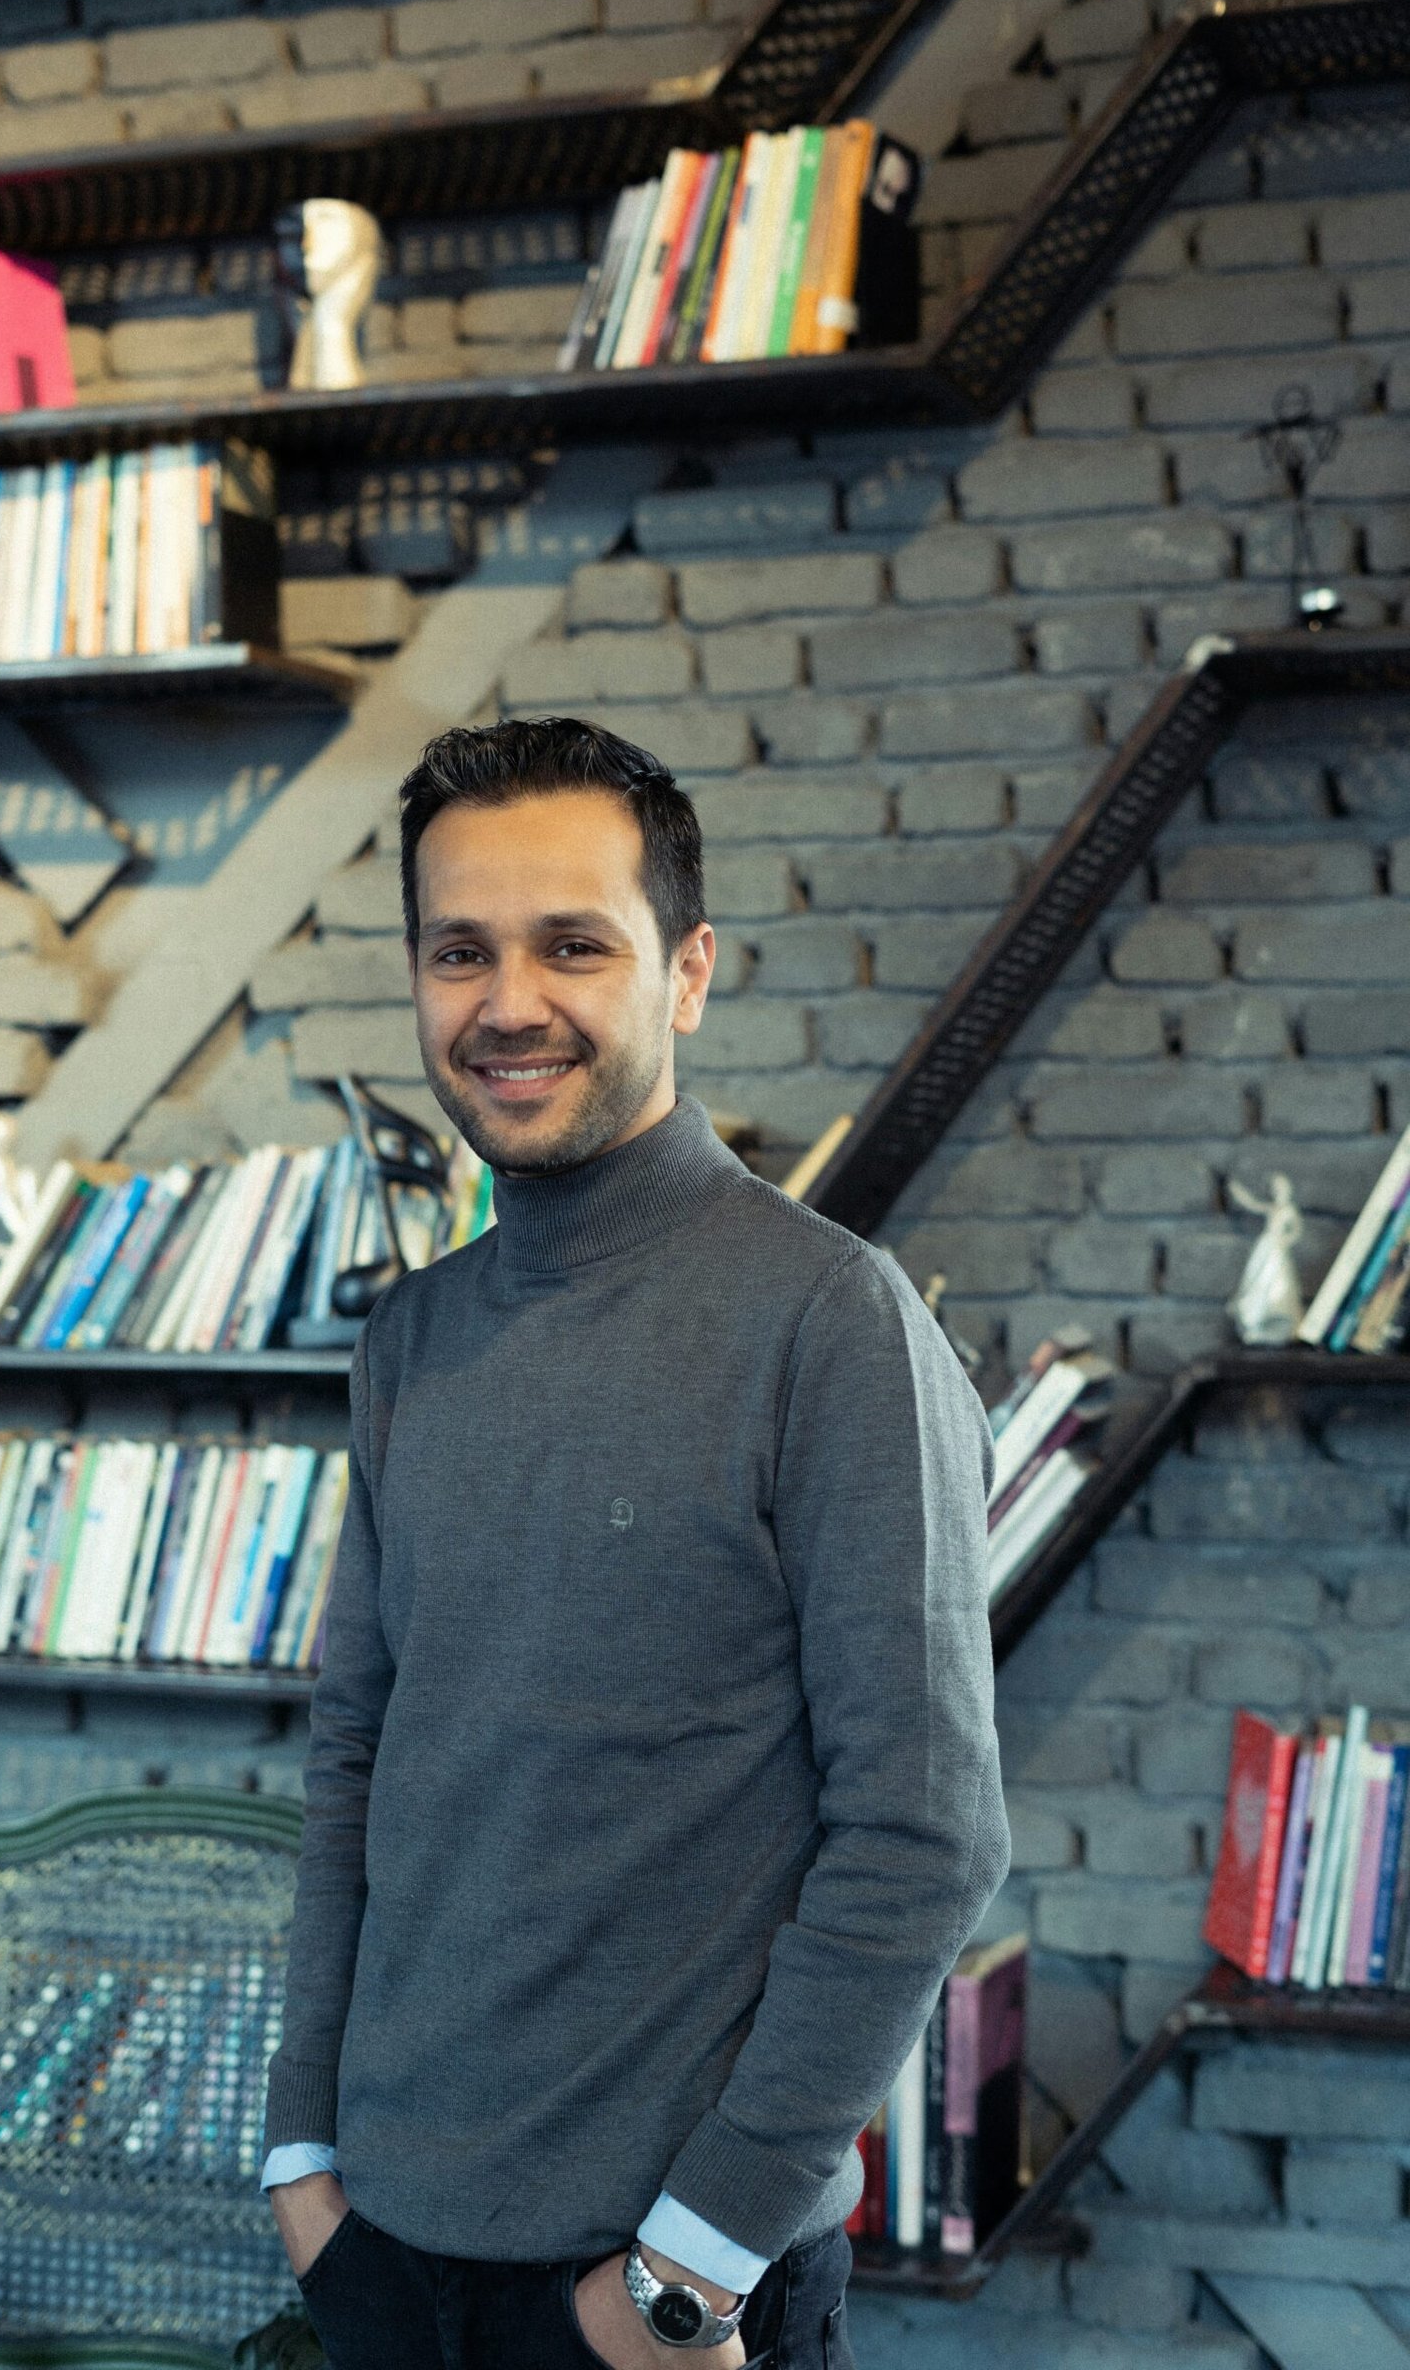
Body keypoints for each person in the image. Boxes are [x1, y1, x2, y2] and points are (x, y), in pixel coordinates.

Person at [263, 717, 1008, 2369]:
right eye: (460, 950)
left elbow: (925, 1836)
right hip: (380, 2259)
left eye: (573, 945)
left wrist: (682, 2276)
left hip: (656, 2301)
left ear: (685, 972)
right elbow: (355, 1765)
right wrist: (301, 2160)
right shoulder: (409, 1338)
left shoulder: (831, 1323)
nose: (508, 1002)